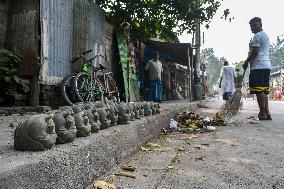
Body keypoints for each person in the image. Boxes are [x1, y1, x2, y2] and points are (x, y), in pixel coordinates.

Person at [242, 17, 272, 120]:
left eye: (254, 25)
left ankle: (262, 113)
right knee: (264, 91)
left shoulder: (257, 36)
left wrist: (246, 62)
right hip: (266, 66)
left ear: (260, 25)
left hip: (258, 66)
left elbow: (255, 51)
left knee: (259, 91)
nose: (252, 28)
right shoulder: (265, 35)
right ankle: (267, 113)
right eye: (251, 26)